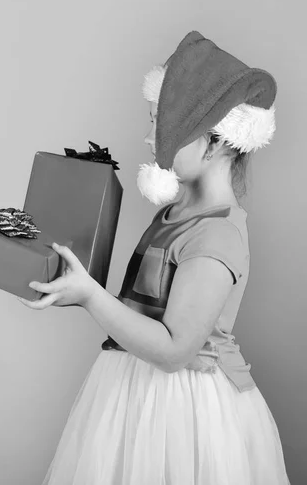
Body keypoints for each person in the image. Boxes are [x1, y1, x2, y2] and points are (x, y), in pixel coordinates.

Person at [20, 31, 290, 485]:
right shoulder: (175, 212)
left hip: (185, 413)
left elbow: (174, 349)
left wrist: (91, 297)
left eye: (161, 124)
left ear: (216, 139)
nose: (149, 138)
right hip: (134, 395)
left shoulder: (216, 235)